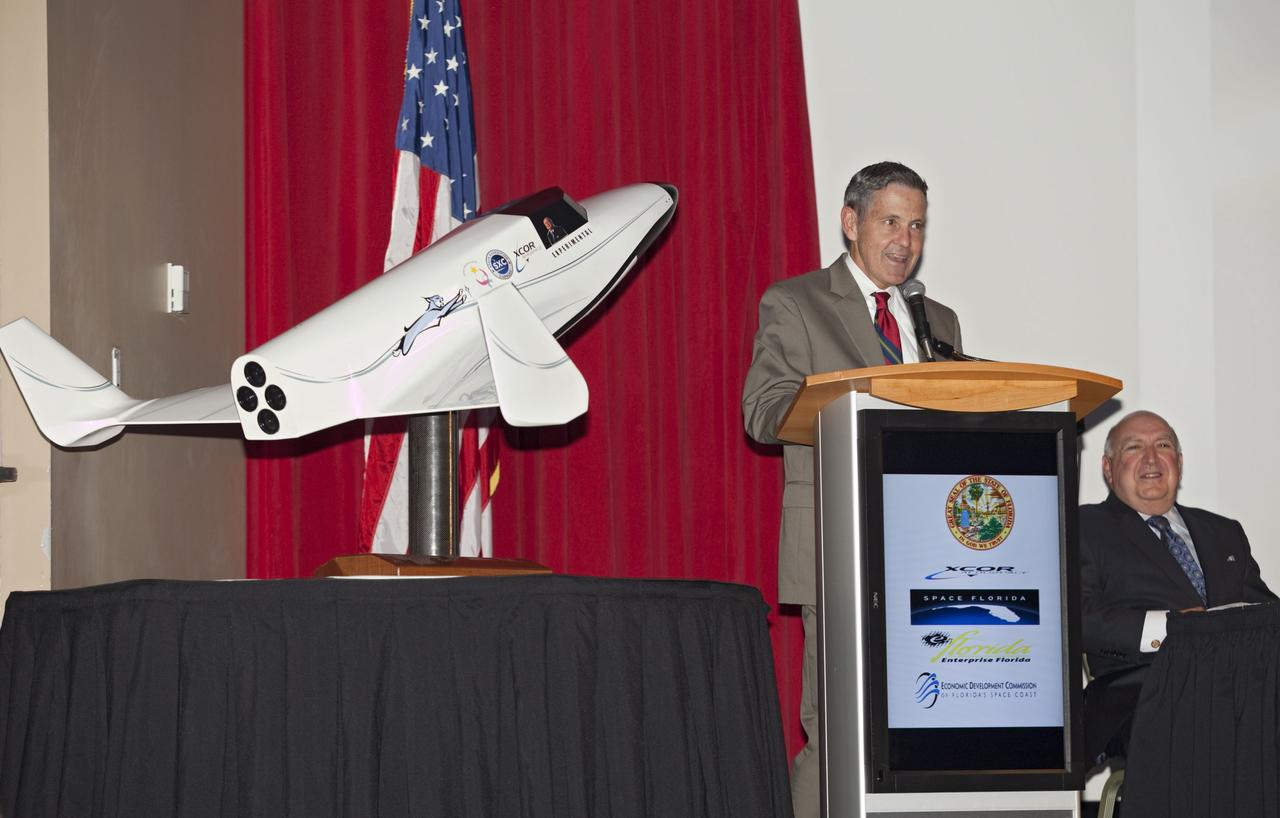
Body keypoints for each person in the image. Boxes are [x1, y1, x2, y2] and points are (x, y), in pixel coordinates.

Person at [742, 161, 962, 818]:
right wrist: (863, 397)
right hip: (841, 549)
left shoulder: (937, 320)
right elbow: (764, 409)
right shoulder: (796, 302)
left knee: (922, 731)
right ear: (850, 222)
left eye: (917, 225)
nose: (905, 239)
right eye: (891, 221)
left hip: (931, 555)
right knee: (840, 731)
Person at [1079, 410, 1275, 767]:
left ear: (1179, 463)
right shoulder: (1085, 527)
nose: (1151, 458)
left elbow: (1265, 615)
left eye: (1163, 445)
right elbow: (1077, 621)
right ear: (1108, 468)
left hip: (1240, 688)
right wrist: (1172, 629)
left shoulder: (1224, 531)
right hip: (1146, 692)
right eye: (1134, 447)